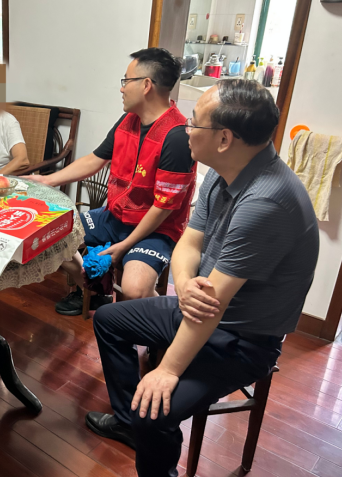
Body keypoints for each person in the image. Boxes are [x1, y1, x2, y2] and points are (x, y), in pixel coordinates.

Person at [86, 79, 319, 477]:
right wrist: (184, 284)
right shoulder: (223, 170)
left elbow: (214, 307)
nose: (186, 128)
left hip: (242, 339)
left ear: (224, 139)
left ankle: (146, 439)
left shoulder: (266, 201)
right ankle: (127, 424)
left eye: (194, 122)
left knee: (153, 414)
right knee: (109, 320)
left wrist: (167, 370)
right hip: (201, 309)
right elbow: (189, 243)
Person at [24, 48, 196, 316]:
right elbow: (95, 159)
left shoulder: (176, 136)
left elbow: (163, 208)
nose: (122, 88)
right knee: (49, 236)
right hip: (115, 217)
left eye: (126, 80)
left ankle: (167, 318)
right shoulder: (129, 120)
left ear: (146, 85)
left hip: (156, 228)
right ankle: (96, 291)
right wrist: (46, 179)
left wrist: (124, 246)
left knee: (134, 289)